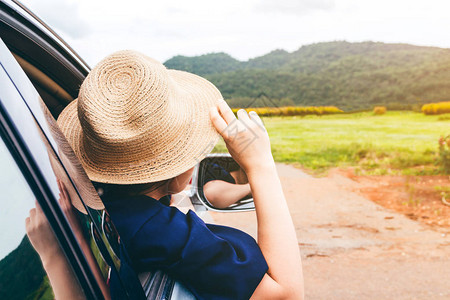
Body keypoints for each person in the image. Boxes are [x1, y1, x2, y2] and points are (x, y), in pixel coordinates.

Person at [55, 50, 304, 299]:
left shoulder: (93, 206)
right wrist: (261, 166)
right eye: (191, 151)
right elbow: (287, 294)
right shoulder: (163, 232)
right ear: (173, 174)